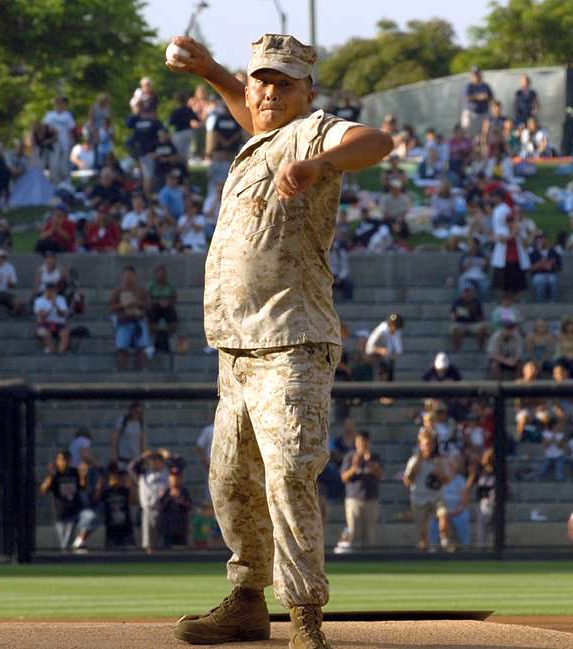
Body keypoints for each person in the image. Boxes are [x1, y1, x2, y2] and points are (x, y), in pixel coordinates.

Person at [167, 33, 392, 648]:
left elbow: (377, 141)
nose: (268, 92)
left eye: (283, 82)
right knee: (231, 482)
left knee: (288, 473)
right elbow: (253, 108)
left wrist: (320, 166)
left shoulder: (312, 131)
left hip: (292, 341)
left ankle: (304, 619)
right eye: (261, 80)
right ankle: (245, 602)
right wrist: (212, 70)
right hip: (235, 349)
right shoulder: (261, 137)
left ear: (307, 92)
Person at [404, 429, 455, 553]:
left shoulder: (439, 460)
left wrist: (440, 474)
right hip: (419, 497)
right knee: (422, 531)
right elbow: (407, 481)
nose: (429, 447)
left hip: (436, 496)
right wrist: (416, 468)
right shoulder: (414, 460)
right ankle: (425, 552)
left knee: (443, 514)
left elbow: (447, 480)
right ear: (421, 445)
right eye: (426, 444)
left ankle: (445, 540)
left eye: (431, 444)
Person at [39, 450, 97, 552]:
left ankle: (78, 541)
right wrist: (50, 476)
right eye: (61, 459)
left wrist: (83, 476)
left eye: (66, 459)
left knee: (90, 517)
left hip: (76, 511)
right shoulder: (55, 475)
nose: (64, 462)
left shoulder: (74, 472)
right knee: (65, 547)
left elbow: (82, 487)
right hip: (62, 515)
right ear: (57, 461)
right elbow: (43, 490)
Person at [339, 431, 383, 550]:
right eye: (360, 442)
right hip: (354, 498)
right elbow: (344, 477)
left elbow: (380, 475)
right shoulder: (350, 457)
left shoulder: (375, 457)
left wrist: (370, 463)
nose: (362, 445)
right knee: (353, 531)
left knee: (370, 533)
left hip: (371, 499)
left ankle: (370, 558)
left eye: (365, 442)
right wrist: (354, 467)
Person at [109, 266, 152, 371]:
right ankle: (122, 370)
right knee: (122, 348)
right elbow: (111, 307)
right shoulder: (118, 291)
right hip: (124, 321)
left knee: (141, 348)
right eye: (126, 276)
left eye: (130, 276)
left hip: (139, 321)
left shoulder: (141, 291)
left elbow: (149, 306)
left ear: (134, 276)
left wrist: (138, 303)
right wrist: (123, 305)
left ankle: (141, 369)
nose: (128, 278)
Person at [146, 265, 179, 353]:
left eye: (163, 273)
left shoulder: (170, 286)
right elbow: (148, 299)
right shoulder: (151, 286)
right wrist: (158, 302)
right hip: (155, 309)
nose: (161, 275)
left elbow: (174, 298)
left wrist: (167, 302)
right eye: (159, 273)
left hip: (167, 309)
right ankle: (155, 335)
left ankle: (168, 334)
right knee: (151, 314)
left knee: (172, 315)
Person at [158, 467, 194, 548]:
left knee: (181, 551)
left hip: (181, 529)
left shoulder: (184, 492)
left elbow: (190, 506)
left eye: (178, 477)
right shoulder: (166, 492)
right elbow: (160, 506)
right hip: (167, 529)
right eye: (173, 477)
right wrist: (170, 497)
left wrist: (181, 501)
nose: (175, 479)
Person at [365, 313, 404, 384]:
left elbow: (399, 350)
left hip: (389, 361)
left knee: (389, 384)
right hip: (378, 361)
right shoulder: (381, 331)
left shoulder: (397, 332)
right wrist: (380, 350)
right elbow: (369, 348)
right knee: (380, 383)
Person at [33, 282, 70, 355]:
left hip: (59, 324)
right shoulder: (39, 301)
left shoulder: (61, 299)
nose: (50, 292)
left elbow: (64, 314)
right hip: (44, 324)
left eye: (52, 290)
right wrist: (51, 305)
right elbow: (42, 316)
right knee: (45, 334)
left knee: (65, 333)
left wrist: (56, 304)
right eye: (49, 290)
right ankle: (50, 349)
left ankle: (61, 352)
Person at [449, 286, 489, 352]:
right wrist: (458, 314)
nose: (467, 295)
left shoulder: (477, 302)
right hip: (460, 323)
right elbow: (452, 316)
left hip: (474, 324)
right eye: (465, 293)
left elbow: (482, 317)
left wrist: (474, 314)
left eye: (469, 293)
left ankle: (481, 348)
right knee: (454, 329)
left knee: (483, 328)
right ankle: (457, 348)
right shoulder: (457, 302)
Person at [526, 233, 562, 302]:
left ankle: (554, 302)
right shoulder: (533, 253)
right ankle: (540, 302)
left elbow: (559, 266)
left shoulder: (553, 252)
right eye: (540, 239)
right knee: (540, 281)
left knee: (553, 281)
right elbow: (530, 268)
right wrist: (540, 264)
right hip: (538, 274)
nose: (542, 241)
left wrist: (553, 264)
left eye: (544, 239)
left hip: (551, 273)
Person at [463, 67, 493, 140]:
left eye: (477, 74)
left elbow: (491, 97)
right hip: (472, 113)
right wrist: (478, 97)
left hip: (484, 113)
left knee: (485, 133)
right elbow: (466, 97)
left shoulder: (485, 85)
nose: (476, 76)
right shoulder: (469, 86)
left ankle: (484, 149)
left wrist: (486, 97)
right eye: (474, 74)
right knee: (469, 133)